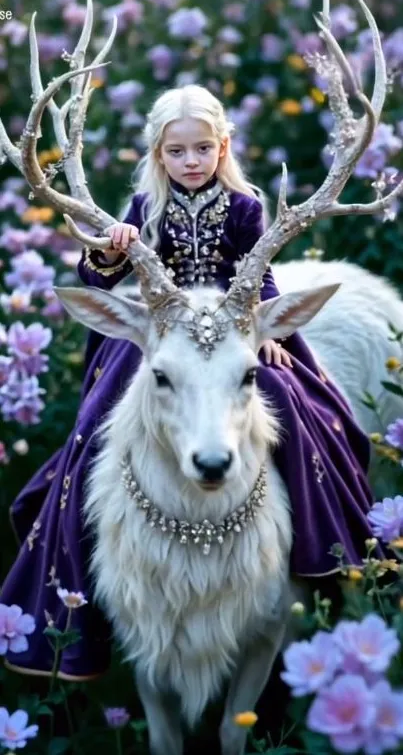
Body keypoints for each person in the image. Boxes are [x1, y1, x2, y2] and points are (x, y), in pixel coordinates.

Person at [1, 84, 379, 681]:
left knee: (298, 410)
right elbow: (95, 280)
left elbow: (261, 276)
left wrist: (267, 331)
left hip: (233, 330)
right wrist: (111, 252)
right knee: (95, 432)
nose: (191, 161)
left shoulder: (245, 205)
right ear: (158, 155)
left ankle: (319, 547)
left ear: (222, 145)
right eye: (177, 152)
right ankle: (77, 580)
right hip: (164, 334)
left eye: (203, 148)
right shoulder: (143, 210)